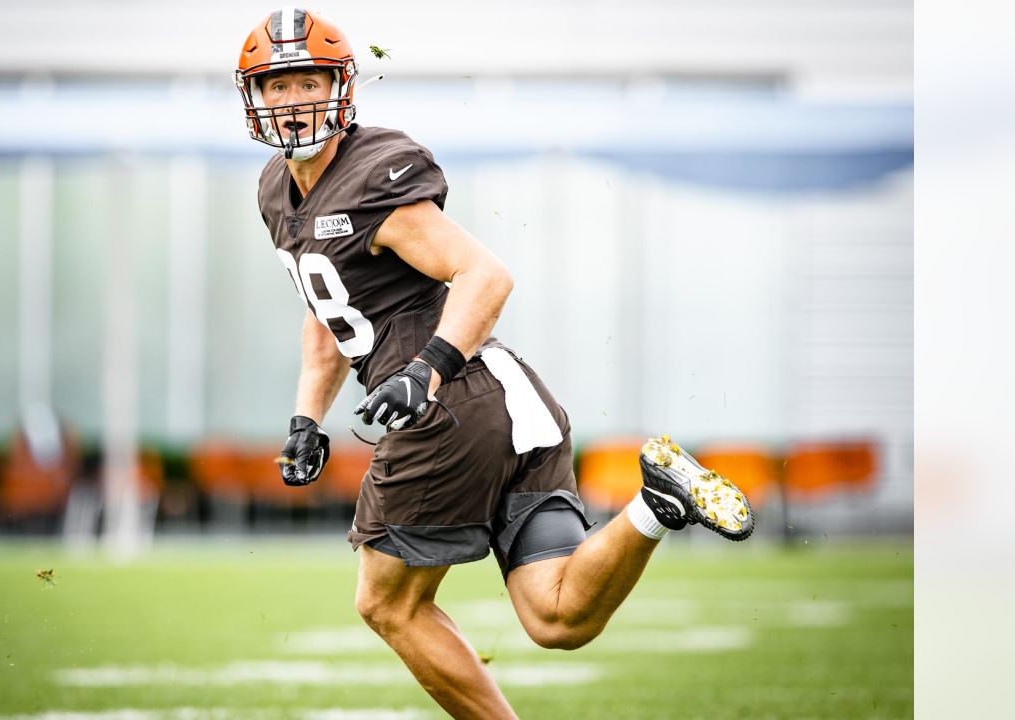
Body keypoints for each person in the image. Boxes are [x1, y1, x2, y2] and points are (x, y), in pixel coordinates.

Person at [234, 9, 755, 718]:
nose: (292, 102)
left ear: (341, 85)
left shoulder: (369, 176)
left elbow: (486, 275)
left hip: (446, 406)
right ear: (255, 96)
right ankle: (656, 504)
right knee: (557, 617)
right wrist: (304, 417)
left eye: (307, 82)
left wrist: (426, 370)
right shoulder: (276, 191)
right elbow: (326, 315)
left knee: (387, 605)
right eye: (277, 85)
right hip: (510, 401)